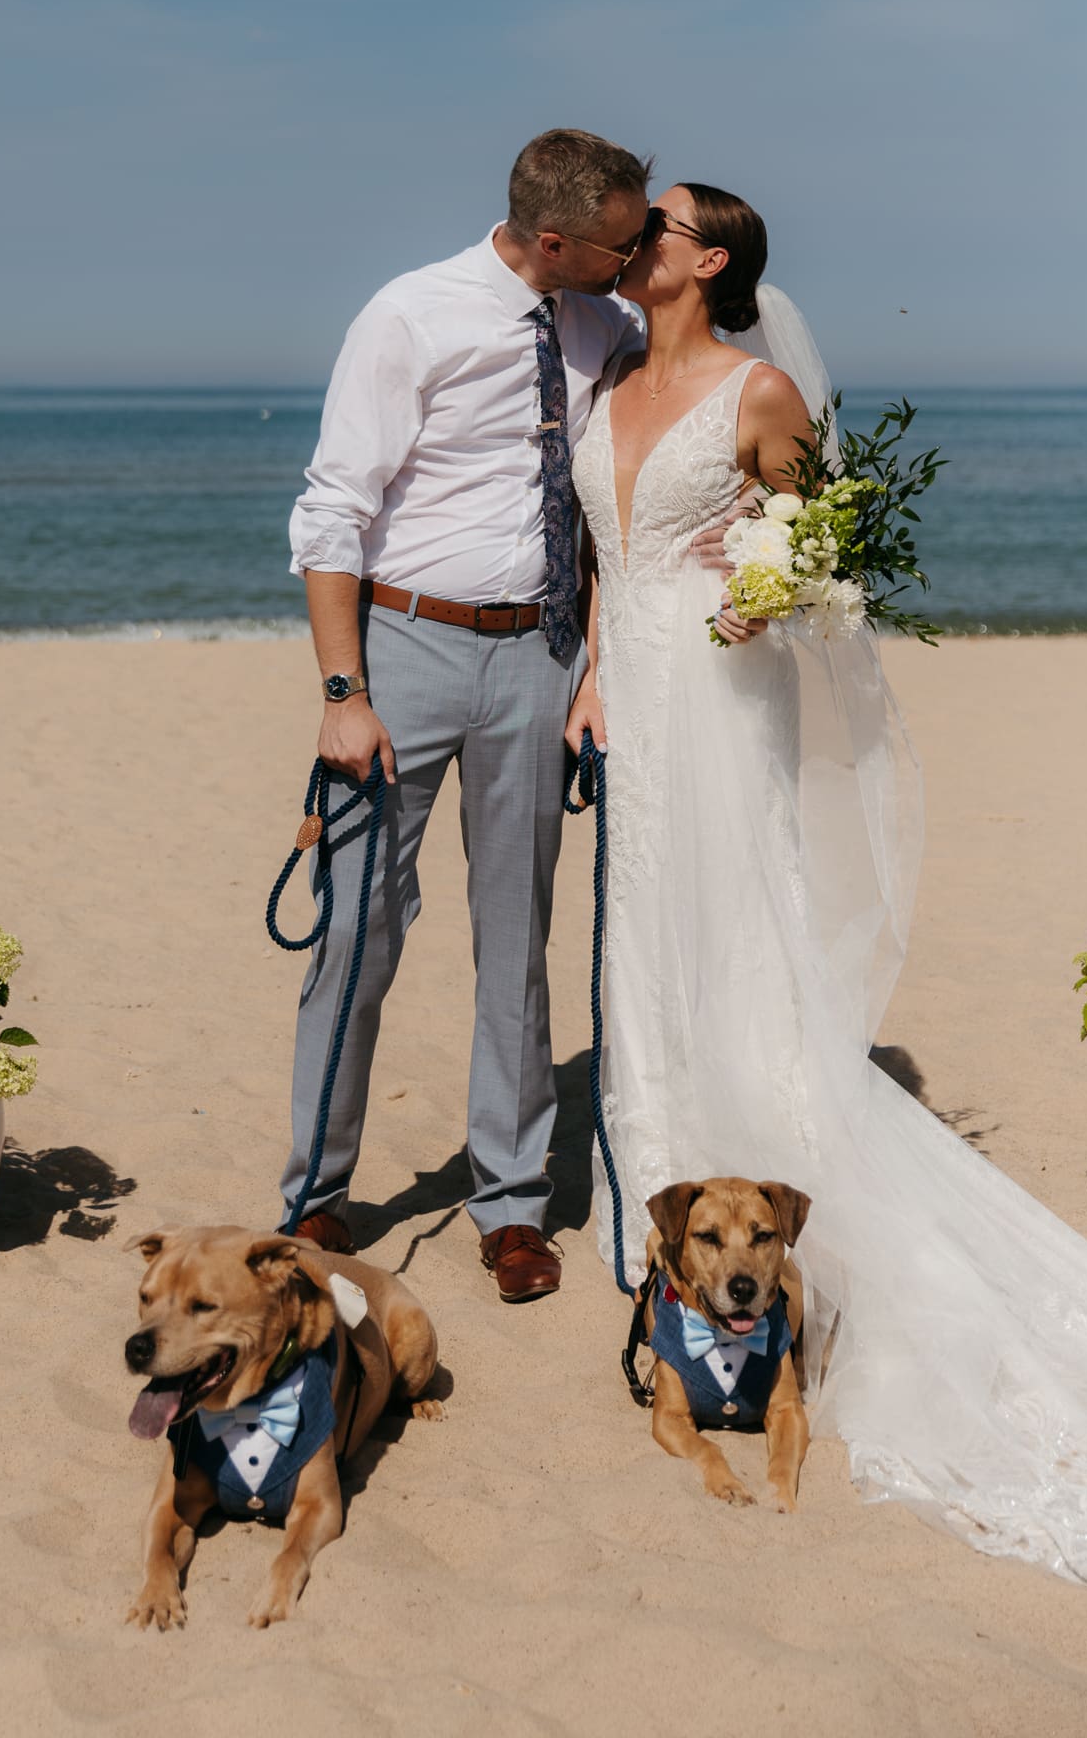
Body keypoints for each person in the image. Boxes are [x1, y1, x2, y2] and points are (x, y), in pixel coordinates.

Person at [567, 180, 1087, 1626]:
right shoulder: (608, 372)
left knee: (736, 947)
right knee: (640, 955)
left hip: (725, 708)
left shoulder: (762, 385)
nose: (638, 236)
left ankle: (780, 1238)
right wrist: (596, 676)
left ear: (709, 258)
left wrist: (767, 594)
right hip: (638, 713)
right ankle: (655, 1236)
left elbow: (827, 557)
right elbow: (608, 556)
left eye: (658, 222)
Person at [281, 129, 649, 1303]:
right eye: (621, 242)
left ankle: (511, 1203)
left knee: (517, 942)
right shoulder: (409, 316)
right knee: (355, 929)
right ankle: (316, 1192)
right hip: (406, 648)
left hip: (539, 656)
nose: (636, 258)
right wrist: (345, 694)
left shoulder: (607, 327)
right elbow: (334, 512)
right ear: (556, 239)